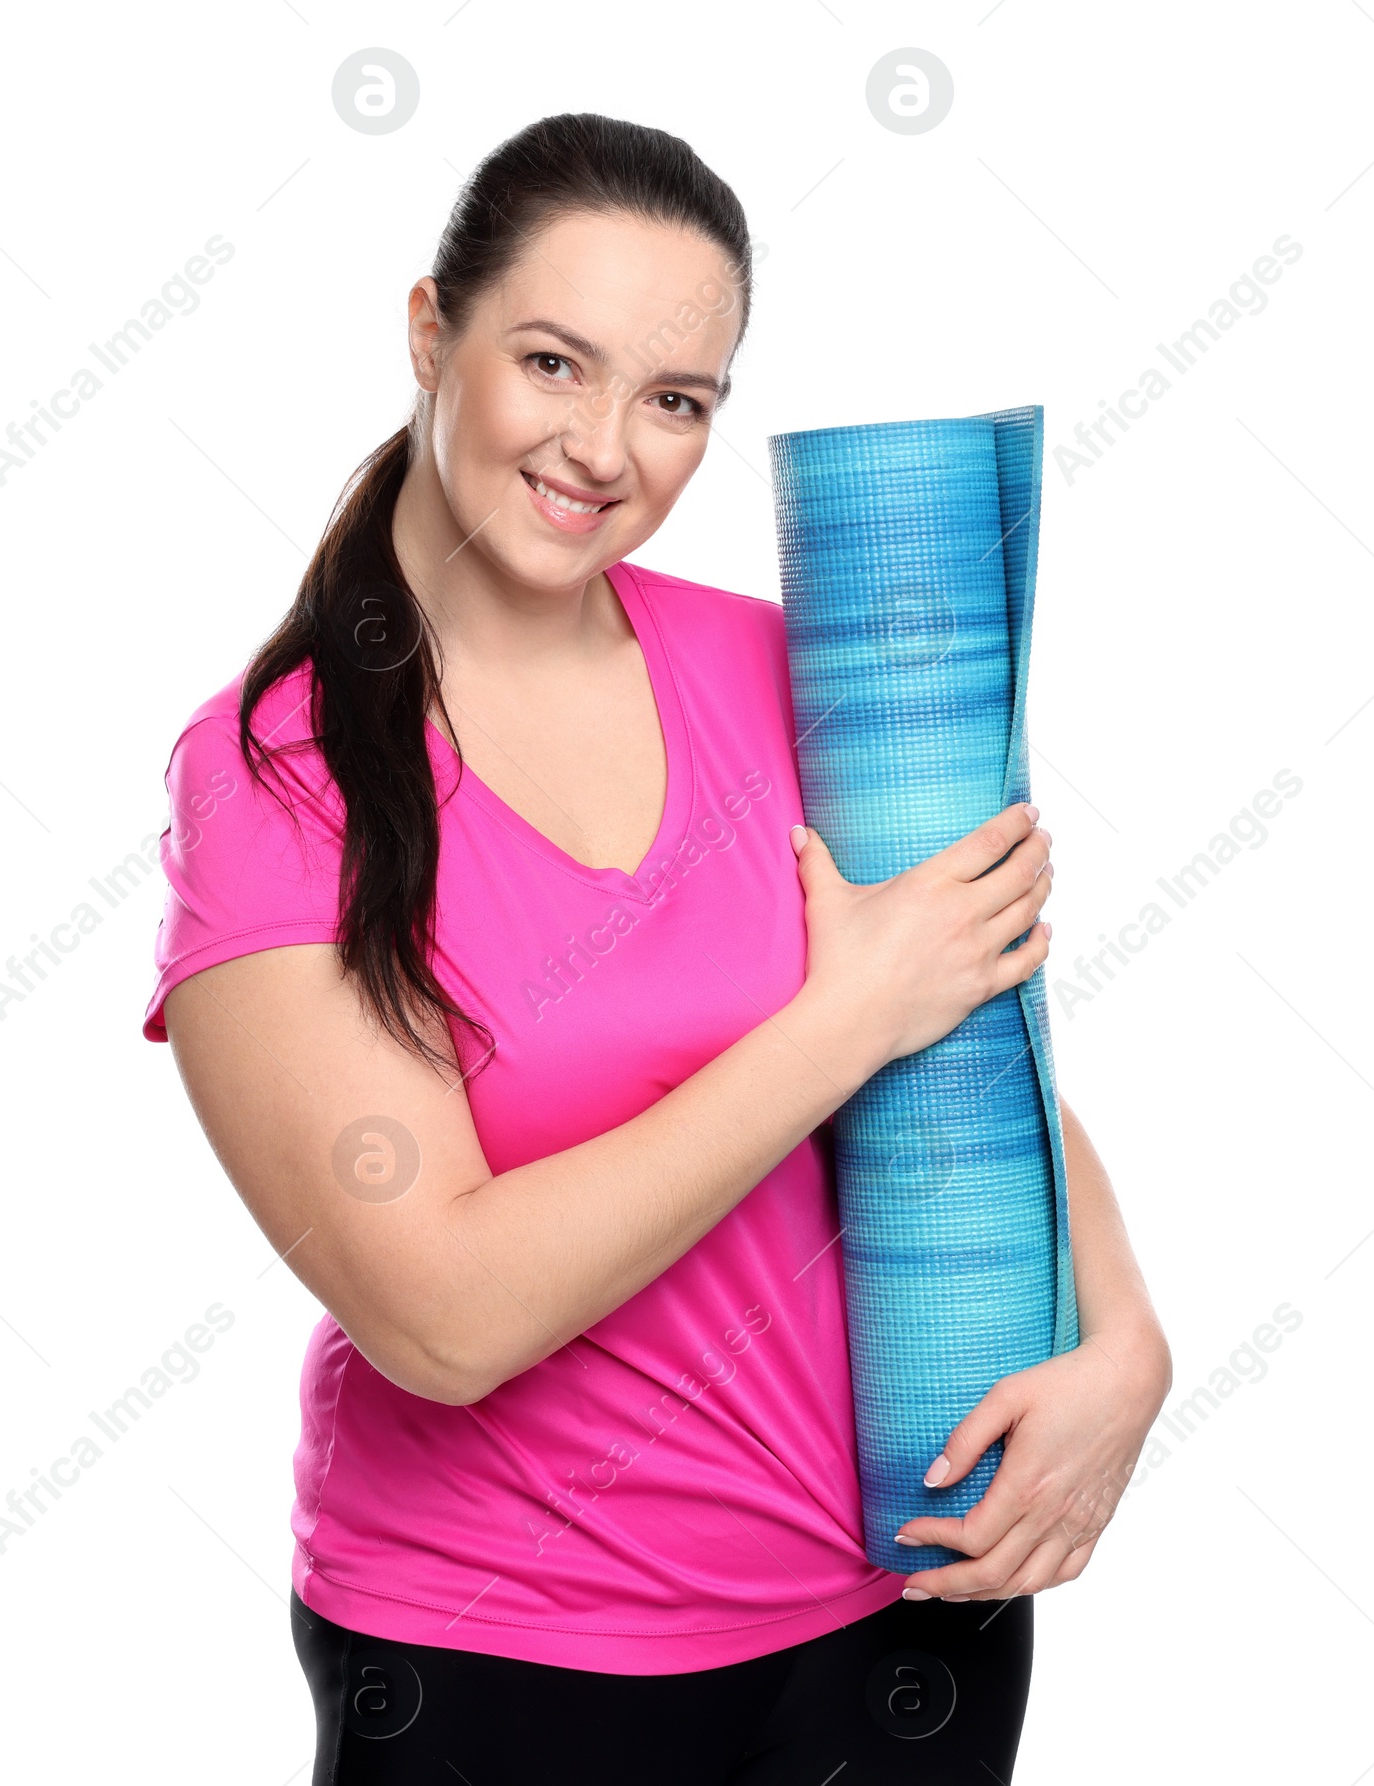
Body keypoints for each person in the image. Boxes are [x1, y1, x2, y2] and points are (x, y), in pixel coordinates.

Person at [143, 112, 1171, 1784]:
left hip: (901, 1614)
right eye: (554, 361)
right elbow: (442, 1315)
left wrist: (1125, 1339)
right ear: (430, 331)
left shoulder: (787, 669)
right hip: (503, 1653)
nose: (605, 446)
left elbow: (973, 1041)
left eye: (676, 399)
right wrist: (839, 1022)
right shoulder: (278, 774)